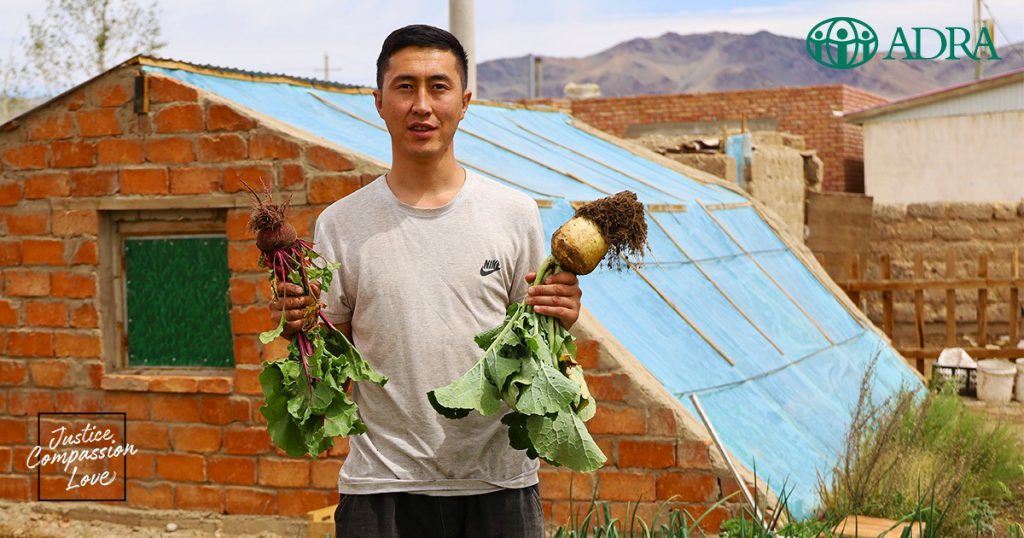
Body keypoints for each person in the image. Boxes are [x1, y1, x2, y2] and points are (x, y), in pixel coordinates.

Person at [268, 24, 584, 538]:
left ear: (464, 101)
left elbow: (536, 347)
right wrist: (297, 327)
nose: (422, 105)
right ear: (379, 102)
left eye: (438, 87)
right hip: (381, 488)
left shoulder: (514, 213)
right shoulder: (340, 224)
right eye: (405, 87)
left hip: (498, 484)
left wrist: (562, 313)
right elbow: (332, 357)